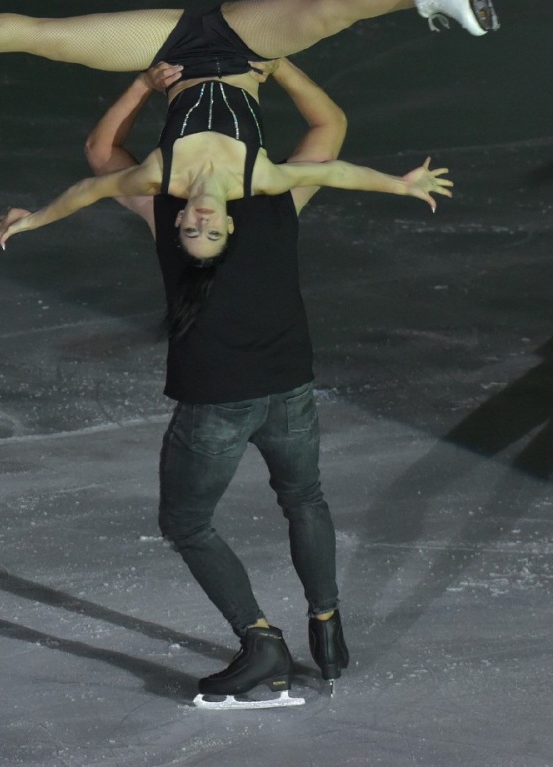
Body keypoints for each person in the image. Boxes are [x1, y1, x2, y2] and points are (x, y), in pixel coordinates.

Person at [72, 59, 431, 708]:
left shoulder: (168, 211)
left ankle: (262, 643)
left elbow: (101, 151)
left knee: (186, 518)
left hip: (216, 405)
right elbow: (331, 123)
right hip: (290, 390)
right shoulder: (281, 194)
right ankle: (326, 620)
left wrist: (143, 87)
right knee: (304, 496)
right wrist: (281, 66)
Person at [0, 0, 495, 260]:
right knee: (330, 12)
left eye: (191, 230)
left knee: (53, 40)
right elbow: (334, 171)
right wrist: (402, 186)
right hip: (246, 50)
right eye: (211, 232)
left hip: (176, 52)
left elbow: (87, 189)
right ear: (229, 225)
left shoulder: (159, 178)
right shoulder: (260, 179)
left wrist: (35, 220)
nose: (199, 223)